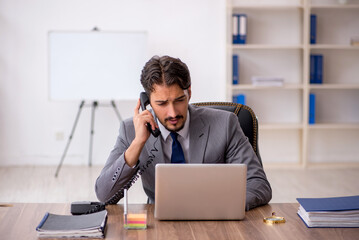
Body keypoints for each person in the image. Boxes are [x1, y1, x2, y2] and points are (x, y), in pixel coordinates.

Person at [95, 55, 272, 210]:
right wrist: (138, 143)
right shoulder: (130, 131)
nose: (172, 113)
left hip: (215, 221)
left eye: (179, 100)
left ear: (189, 93)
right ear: (147, 103)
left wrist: (217, 207)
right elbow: (104, 195)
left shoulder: (225, 123)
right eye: (162, 104)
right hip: (159, 226)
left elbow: (258, 184)